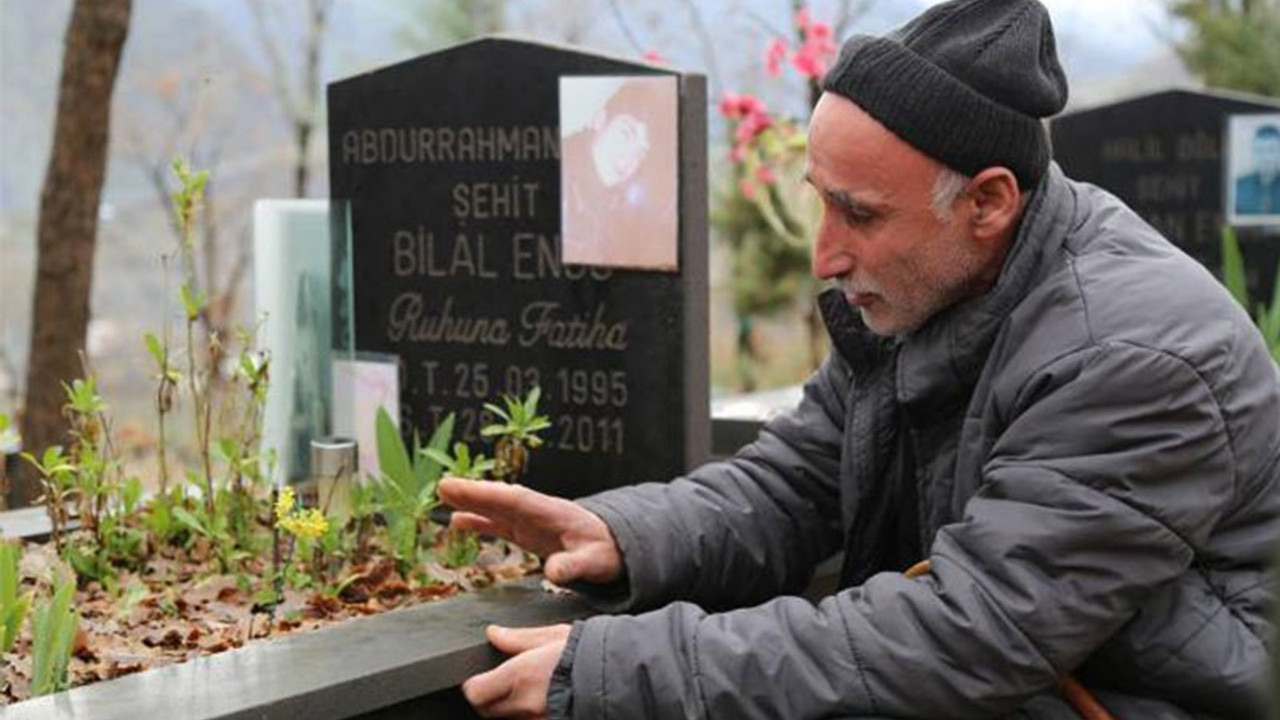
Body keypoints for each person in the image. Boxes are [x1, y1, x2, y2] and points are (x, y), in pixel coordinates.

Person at [439, 0, 1280, 717]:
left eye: (861, 214)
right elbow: (797, 481)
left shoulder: (1132, 356)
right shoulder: (928, 288)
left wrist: (619, 671)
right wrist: (626, 532)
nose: (826, 256)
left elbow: (970, 632)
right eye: (821, 203)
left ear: (987, 202)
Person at [560, 77, 679, 269]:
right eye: (626, 134)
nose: (629, 159)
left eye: (640, 153)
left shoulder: (617, 208)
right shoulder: (559, 177)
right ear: (600, 120)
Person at [1235, 123, 1280, 216]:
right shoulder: (1239, 187)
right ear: (1253, 152)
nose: (1265, 157)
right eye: (1259, 150)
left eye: (1271, 150)